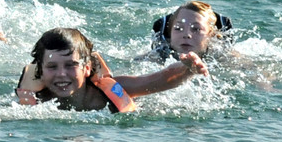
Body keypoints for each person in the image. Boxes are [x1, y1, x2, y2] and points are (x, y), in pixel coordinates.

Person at [15, 27, 208, 112]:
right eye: (52, 67)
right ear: (40, 71)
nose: (61, 74)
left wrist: (187, 69)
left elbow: (157, 80)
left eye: (71, 65)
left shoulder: (108, 90)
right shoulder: (37, 99)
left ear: (87, 68)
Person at [146, 0, 233, 61]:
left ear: (211, 35)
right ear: (170, 33)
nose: (186, 34)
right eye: (178, 28)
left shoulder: (229, 61)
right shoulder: (151, 60)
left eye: (196, 29)